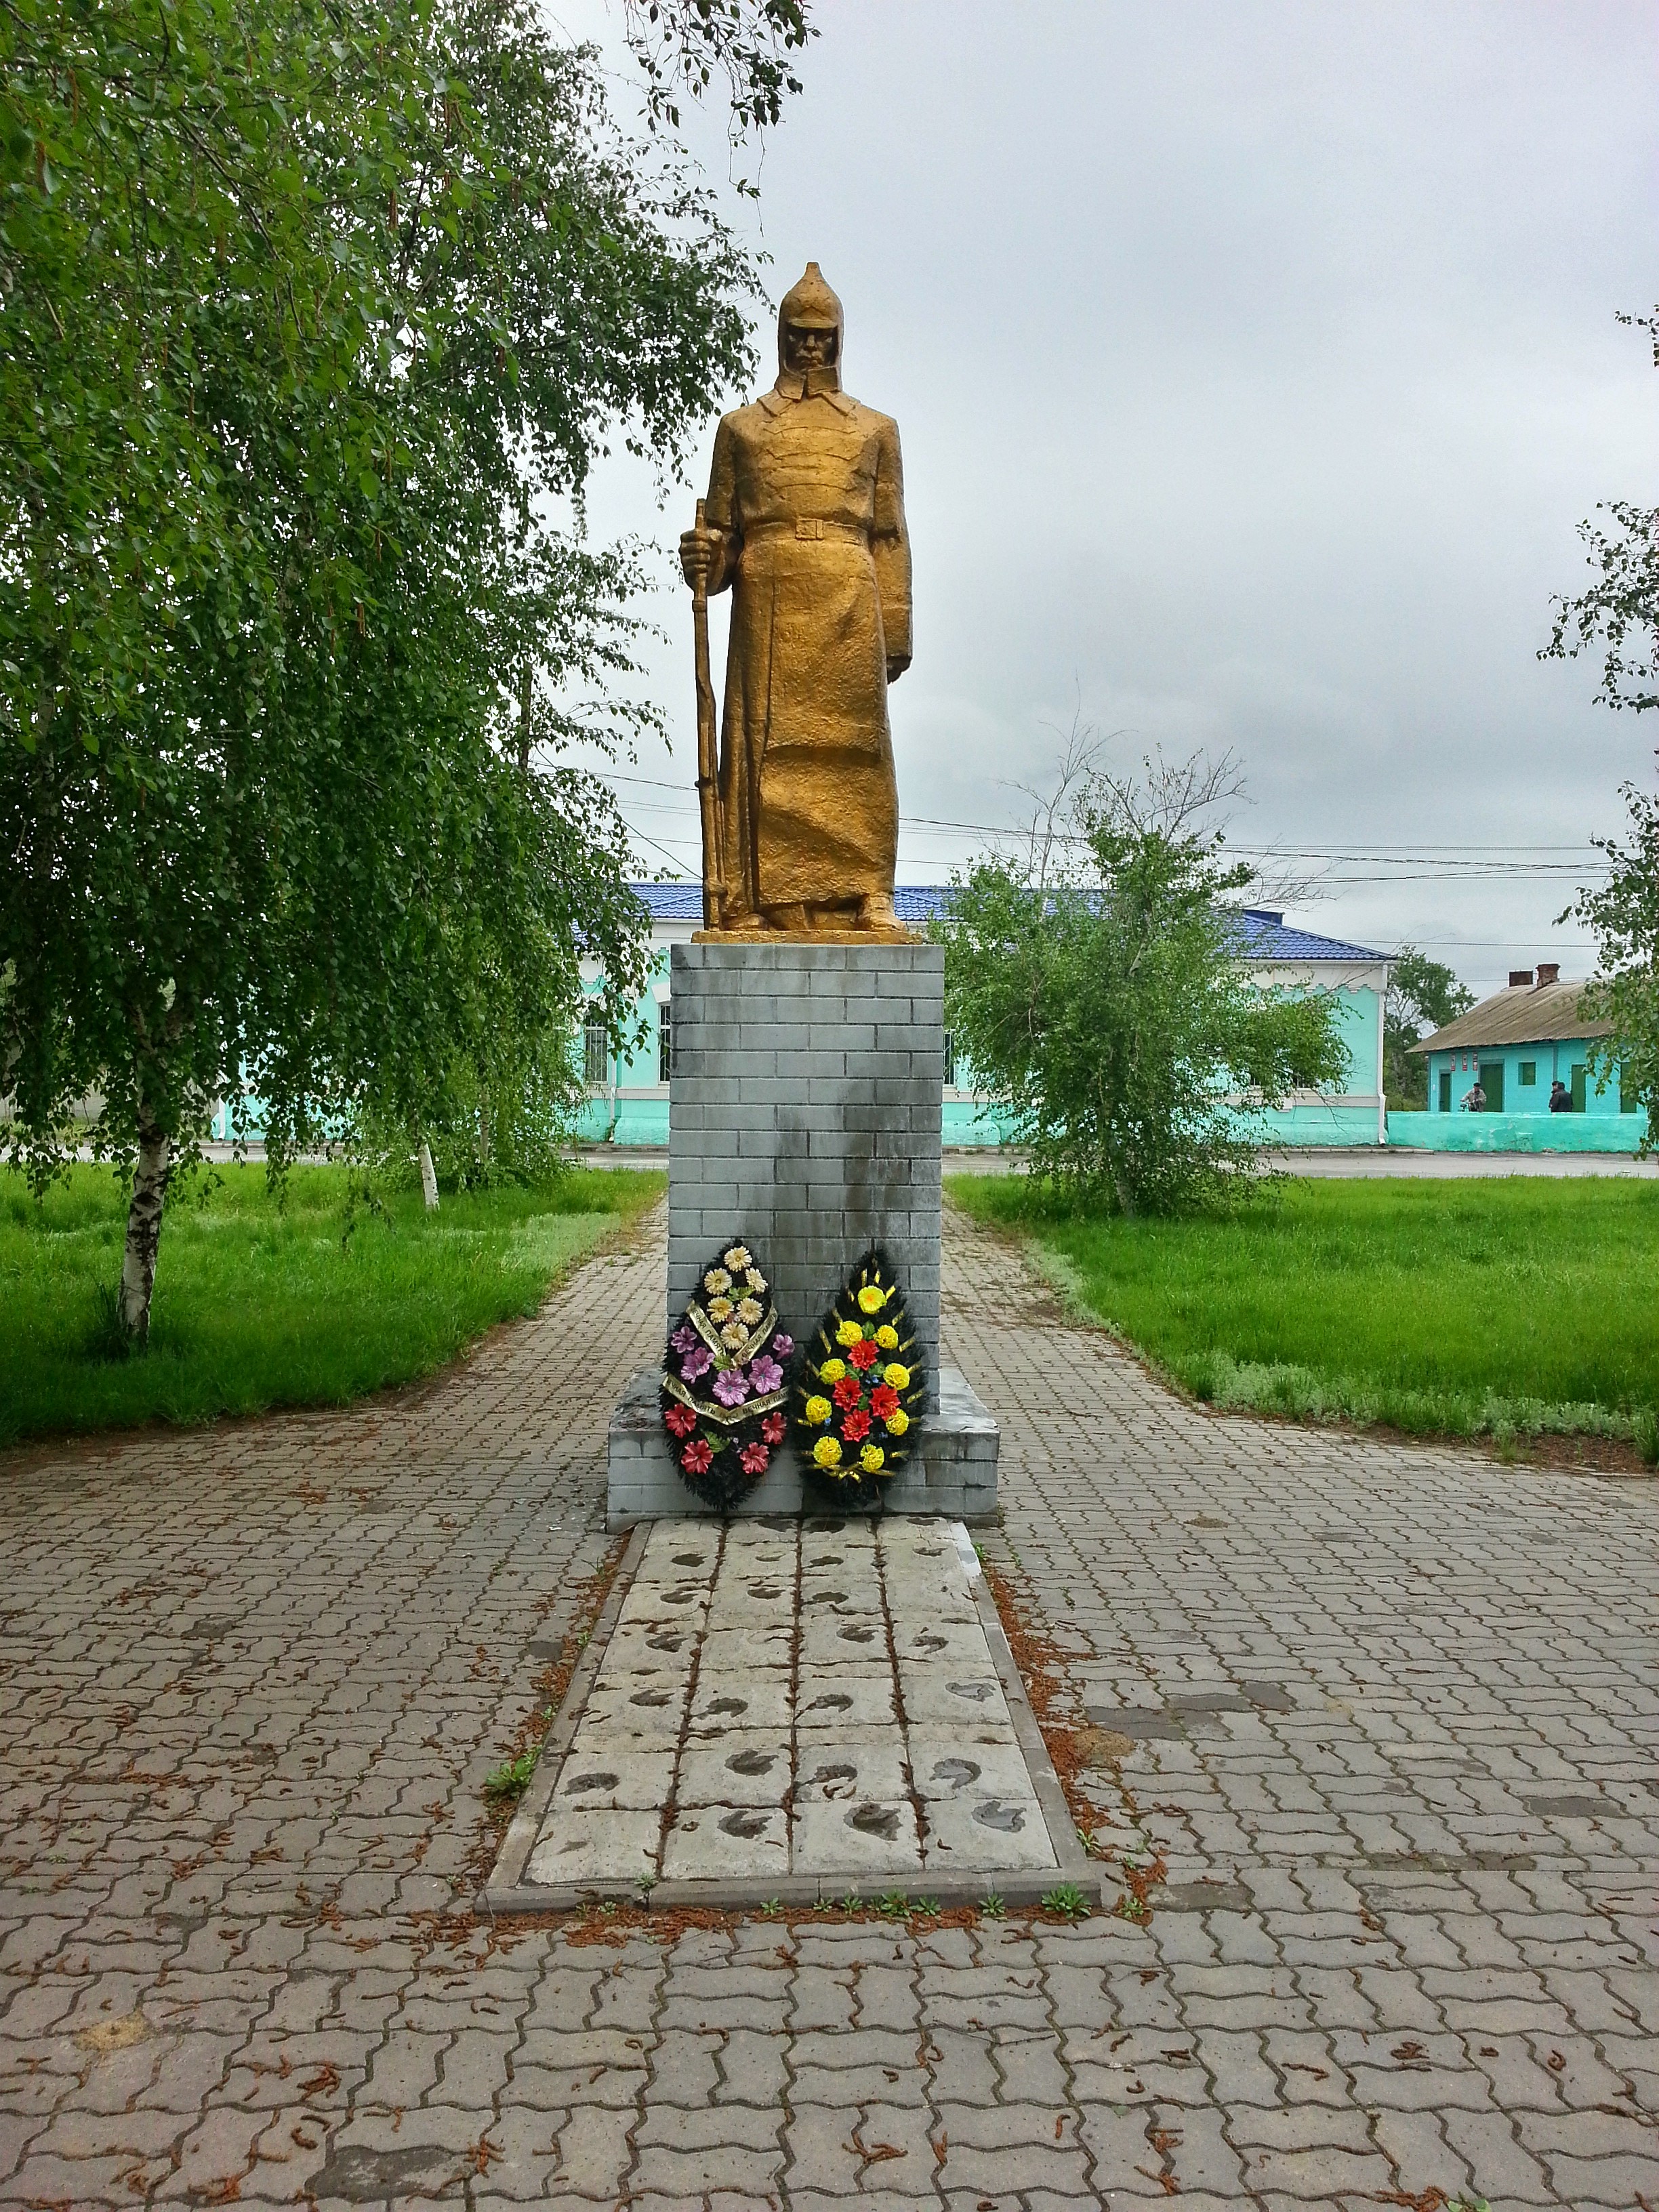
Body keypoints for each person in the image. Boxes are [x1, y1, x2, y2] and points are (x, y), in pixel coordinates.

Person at [679, 264, 910, 934]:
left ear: (839, 342)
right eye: (800, 336)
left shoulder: (875, 431)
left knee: (857, 747)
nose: (811, 348)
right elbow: (721, 540)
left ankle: (867, 891)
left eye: (823, 336)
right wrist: (706, 557)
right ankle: (759, 898)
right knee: (761, 745)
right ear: (781, 338)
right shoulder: (742, 430)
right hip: (769, 589)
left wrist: (895, 627)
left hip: (848, 591)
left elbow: (890, 535)